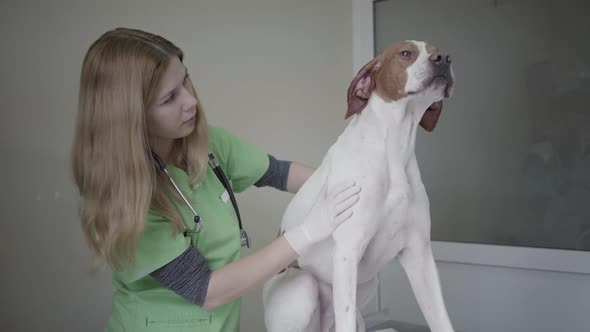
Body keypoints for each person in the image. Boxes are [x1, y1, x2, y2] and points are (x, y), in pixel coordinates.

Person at [71, 27, 380, 331]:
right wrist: (304, 235)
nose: (190, 101)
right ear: (131, 117)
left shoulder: (207, 144)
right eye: (169, 98)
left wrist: (355, 188)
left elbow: (280, 173)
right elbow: (206, 290)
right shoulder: (123, 199)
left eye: (186, 80)